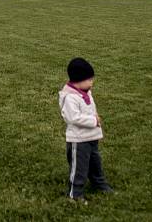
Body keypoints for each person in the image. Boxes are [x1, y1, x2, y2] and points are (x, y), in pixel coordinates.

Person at [58, 57, 114, 202]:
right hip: (79, 140)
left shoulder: (85, 92)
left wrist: (94, 117)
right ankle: (75, 193)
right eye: (89, 79)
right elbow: (73, 118)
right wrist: (93, 120)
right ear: (78, 80)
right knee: (79, 168)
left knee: (95, 163)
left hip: (91, 137)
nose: (92, 82)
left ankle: (99, 183)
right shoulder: (70, 97)